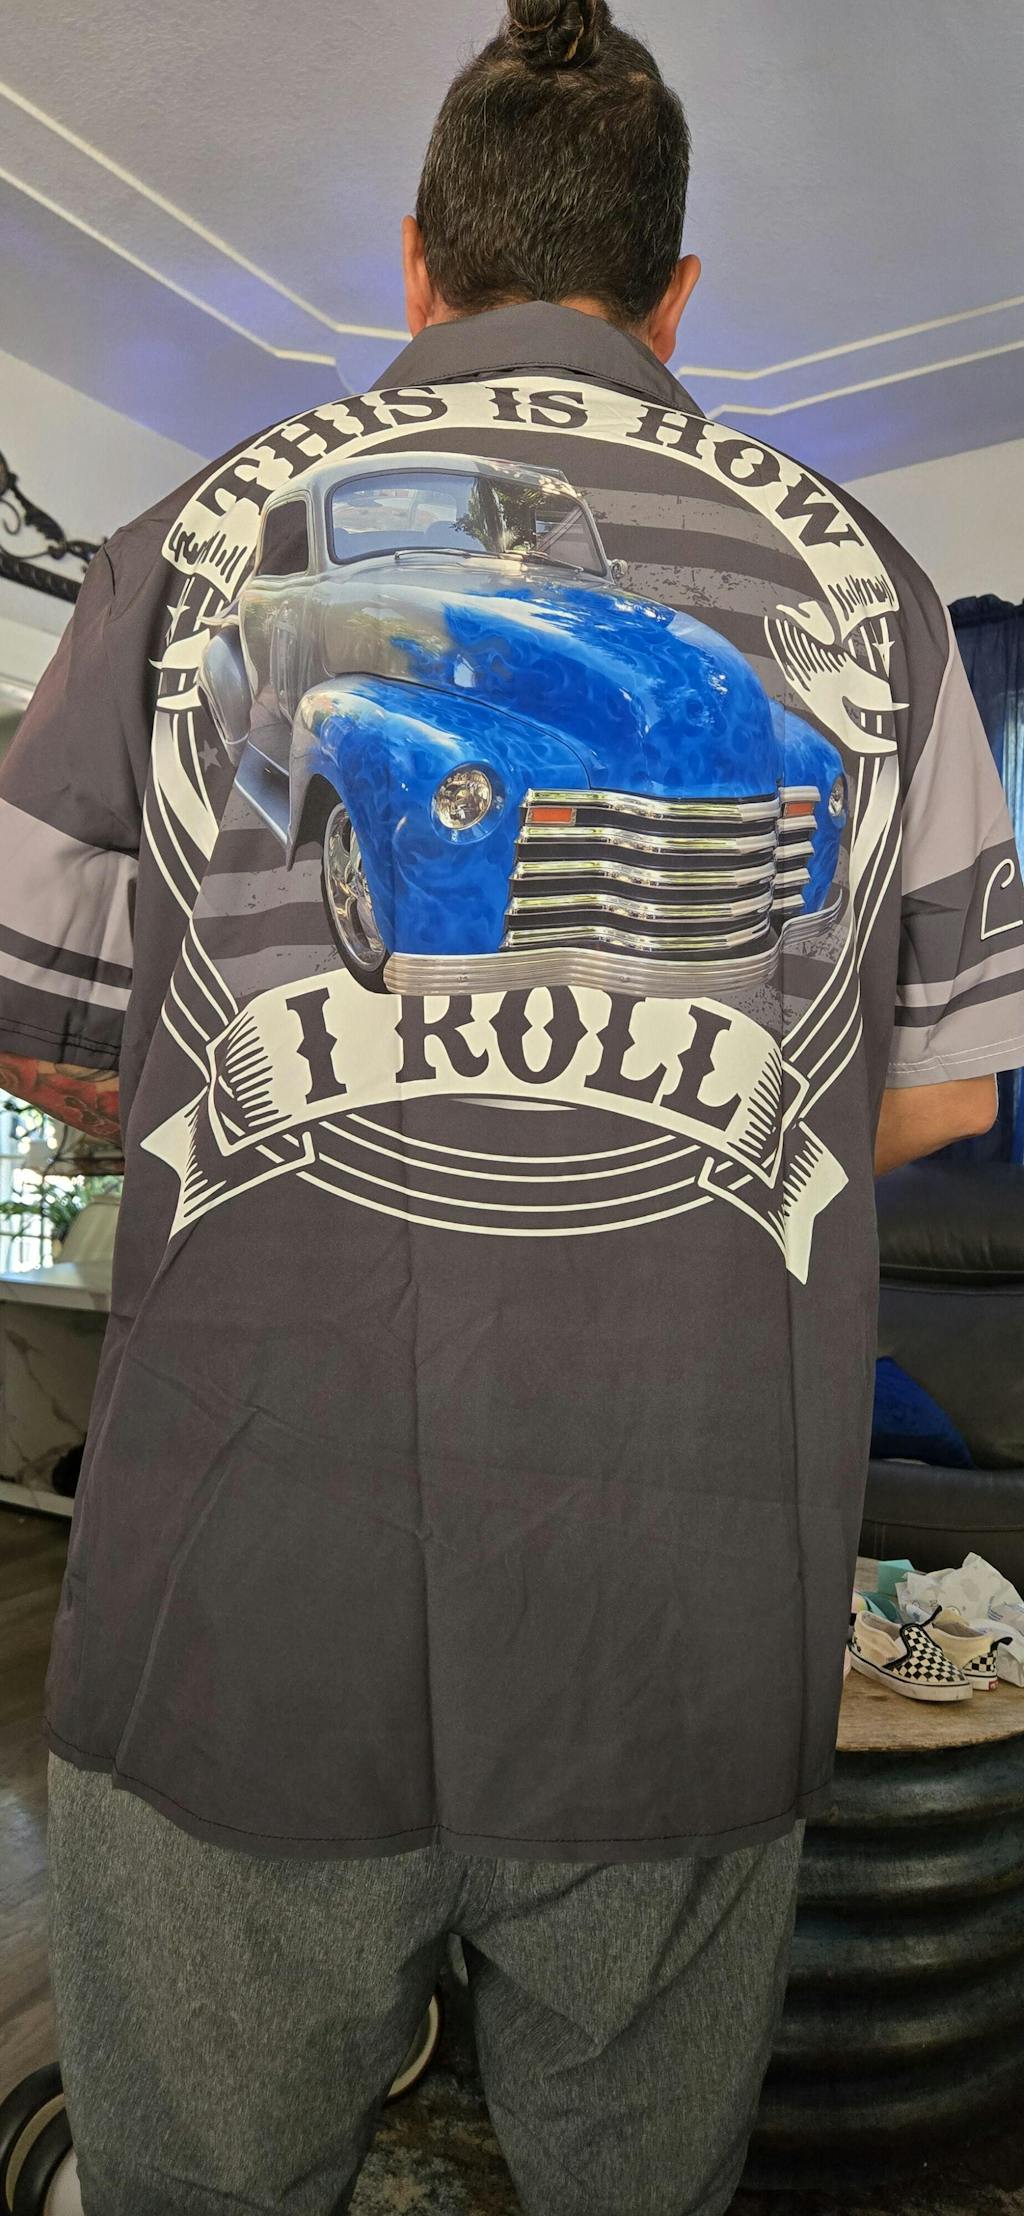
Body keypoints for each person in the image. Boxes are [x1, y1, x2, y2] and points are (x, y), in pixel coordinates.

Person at [2, 2, 1023, 2209]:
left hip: (238, 1606)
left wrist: (224, 1095)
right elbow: (941, 1108)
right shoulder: (878, 598)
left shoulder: (179, 538)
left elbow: (40, 1013)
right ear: (677, 292)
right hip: (682, 1609)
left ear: (413, 261)